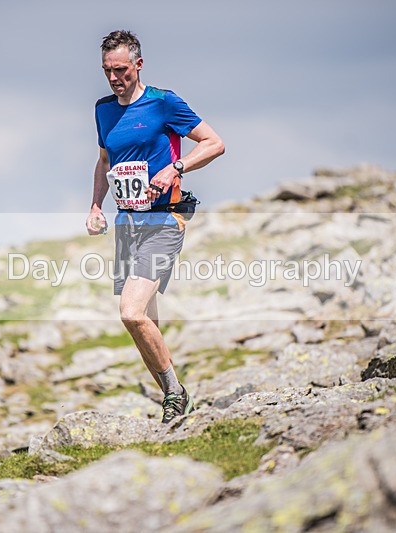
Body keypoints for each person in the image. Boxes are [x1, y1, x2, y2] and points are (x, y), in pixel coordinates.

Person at [86, 30, 225, 423]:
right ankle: (175, 397)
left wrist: (175, 166)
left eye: (121, 70)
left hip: (166, 219)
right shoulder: (102, 109)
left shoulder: (164, 103)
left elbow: (214, 143)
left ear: (138, 65)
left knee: (130, 313)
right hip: (127, 223)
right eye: (107, 71)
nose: (114, 79)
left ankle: (174, 396)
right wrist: (95, 205)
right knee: (147, 320)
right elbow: (103, 161)